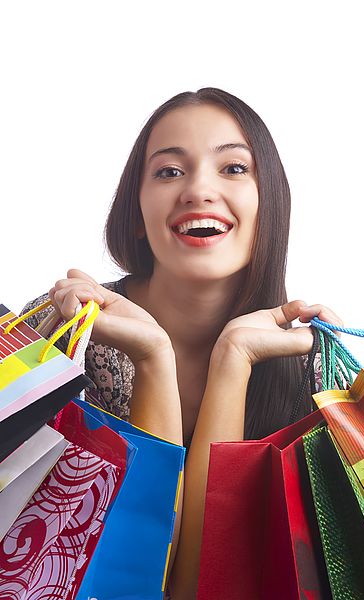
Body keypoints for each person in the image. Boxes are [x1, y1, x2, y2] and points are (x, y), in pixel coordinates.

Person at [22, 87, 343, 599]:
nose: (198, 190)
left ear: (271, 200)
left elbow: (206, 587)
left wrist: (233, 361)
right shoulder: (59, 331)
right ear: (137, 208)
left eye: (234, 169)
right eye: (169, 171)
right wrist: (152, 357)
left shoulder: (313, 369)